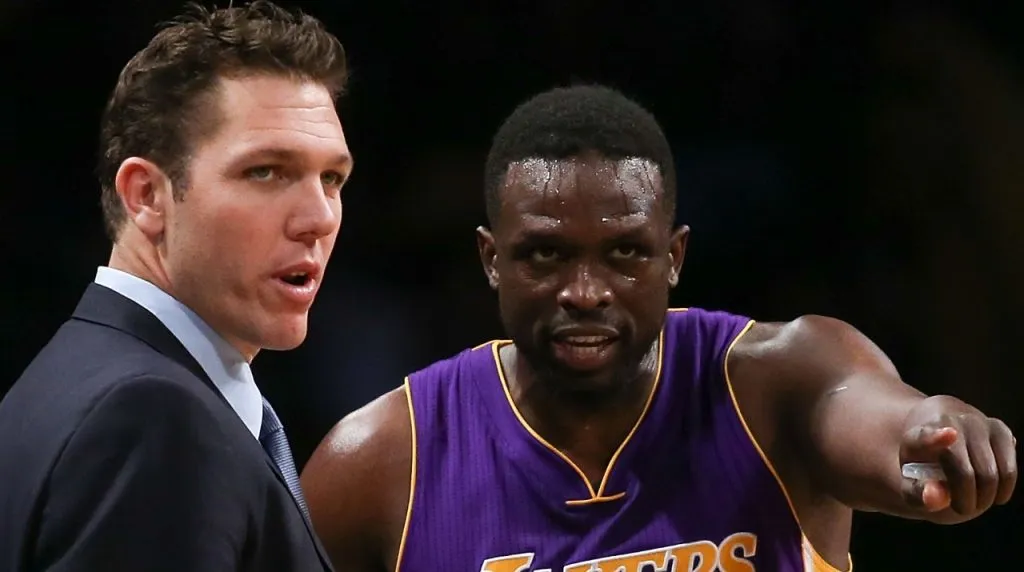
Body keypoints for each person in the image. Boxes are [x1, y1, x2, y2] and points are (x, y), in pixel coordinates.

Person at [299, 85, 1017, 572]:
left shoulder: (780, 380)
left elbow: (876, 416)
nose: (585, 292)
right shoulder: (378, 464)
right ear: (492, 260)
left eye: (625, 254)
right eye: (546, 255)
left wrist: (933, 430)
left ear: (673, 258)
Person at [0, 2, 351, 570]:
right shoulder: (152, 417)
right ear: (146, 196)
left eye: (331, 178)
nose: (319, 217)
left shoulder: (78, 379)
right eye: (265, 171)